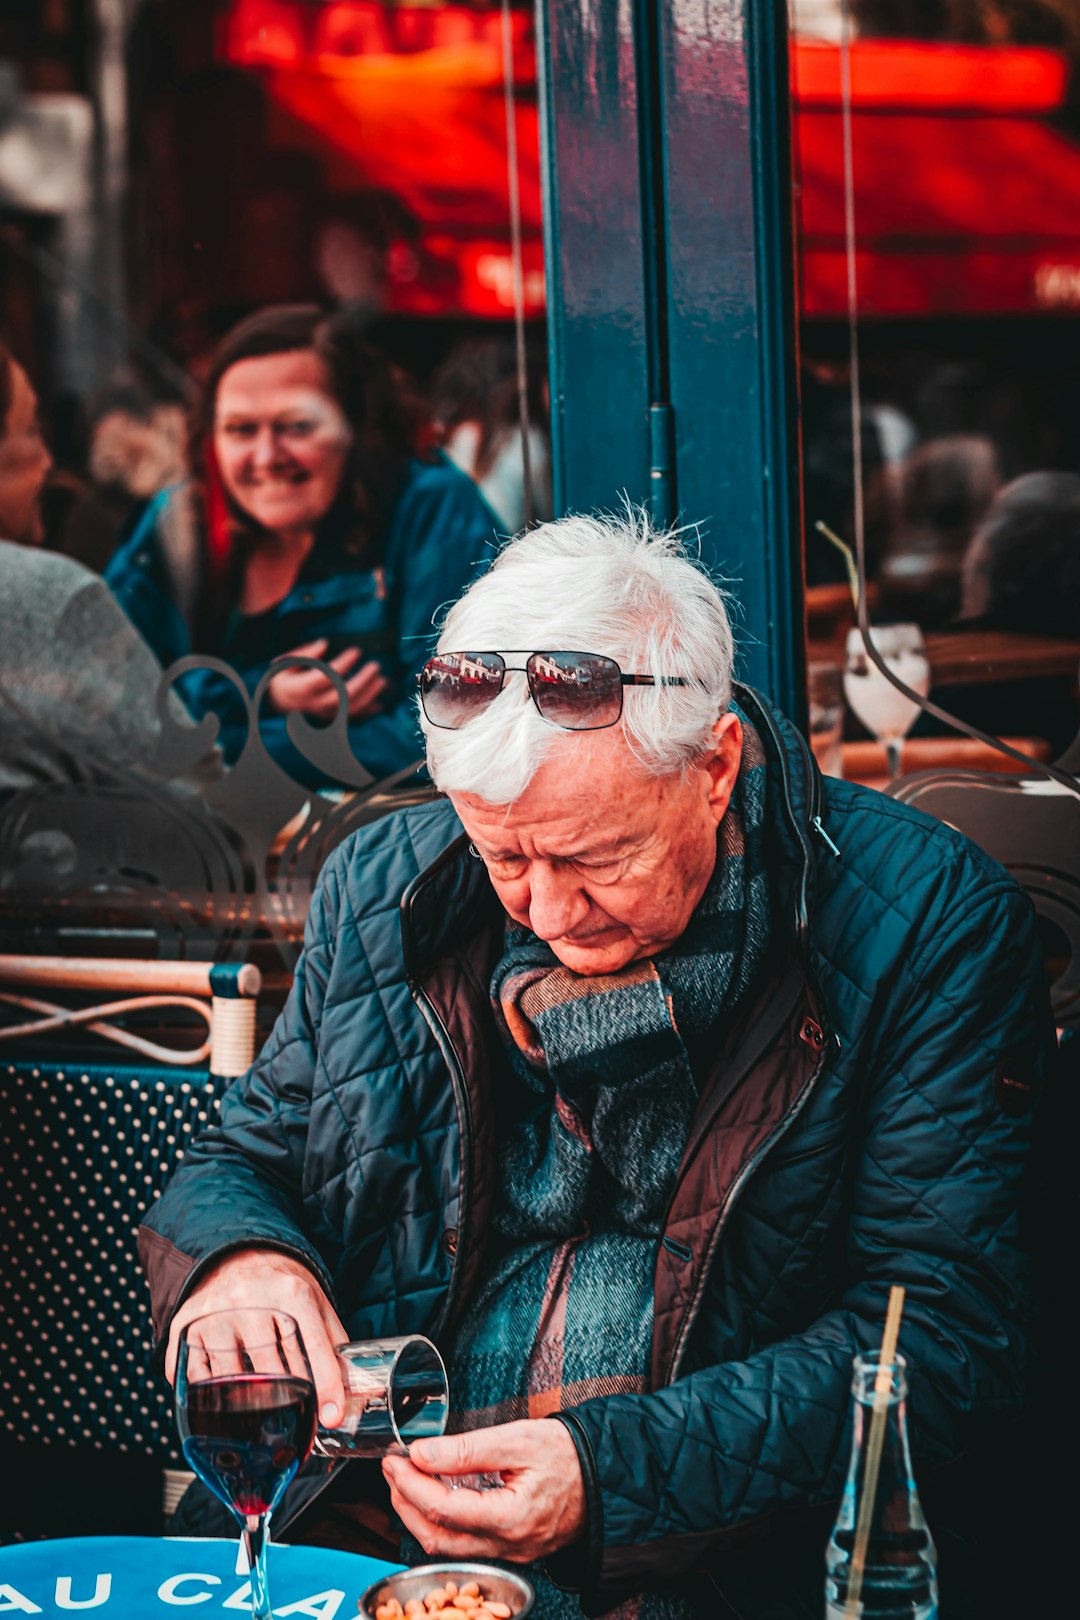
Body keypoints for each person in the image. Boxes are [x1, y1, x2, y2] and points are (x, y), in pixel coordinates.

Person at [140, 512, 1052, 1617]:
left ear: (714, 769)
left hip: (712, 1546)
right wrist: (236, 1260)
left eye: (596, 858)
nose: (550, 909)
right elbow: (247, 1153)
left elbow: (943, 1340)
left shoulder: (924, 923)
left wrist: (612, 1473)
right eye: (505, 855)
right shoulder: (386, 884)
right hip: (369, 1498)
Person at [105, 304, 497, 788]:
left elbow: (453, 728)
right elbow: (110, 701)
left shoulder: (429, 508)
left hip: (376, 849)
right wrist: (258, 696)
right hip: (201, 849)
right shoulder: (179, 525)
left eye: (296, 426)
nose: (267, 457)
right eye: (240, 430)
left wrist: (212, 748)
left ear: (359, 427)